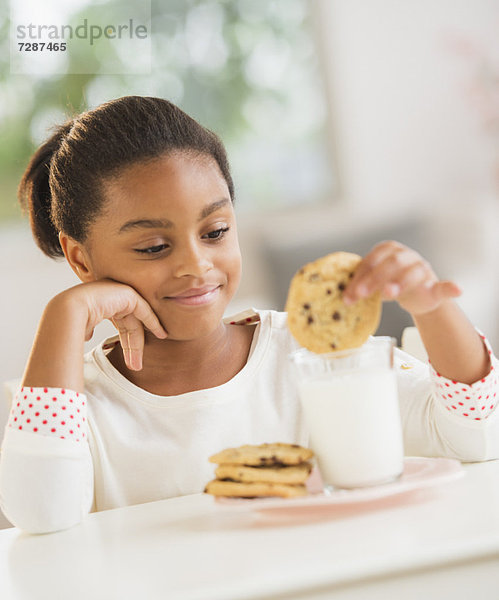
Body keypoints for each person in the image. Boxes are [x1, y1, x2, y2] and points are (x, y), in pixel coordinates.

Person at [0, 96, 497, 534]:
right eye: (154, 246)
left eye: (215, 232)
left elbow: (477, 435)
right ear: (81, 258)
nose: (196, 266)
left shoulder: (312, 359)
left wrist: (433, 308)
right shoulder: (72, 406)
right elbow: (43, 512)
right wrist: (65, 313)